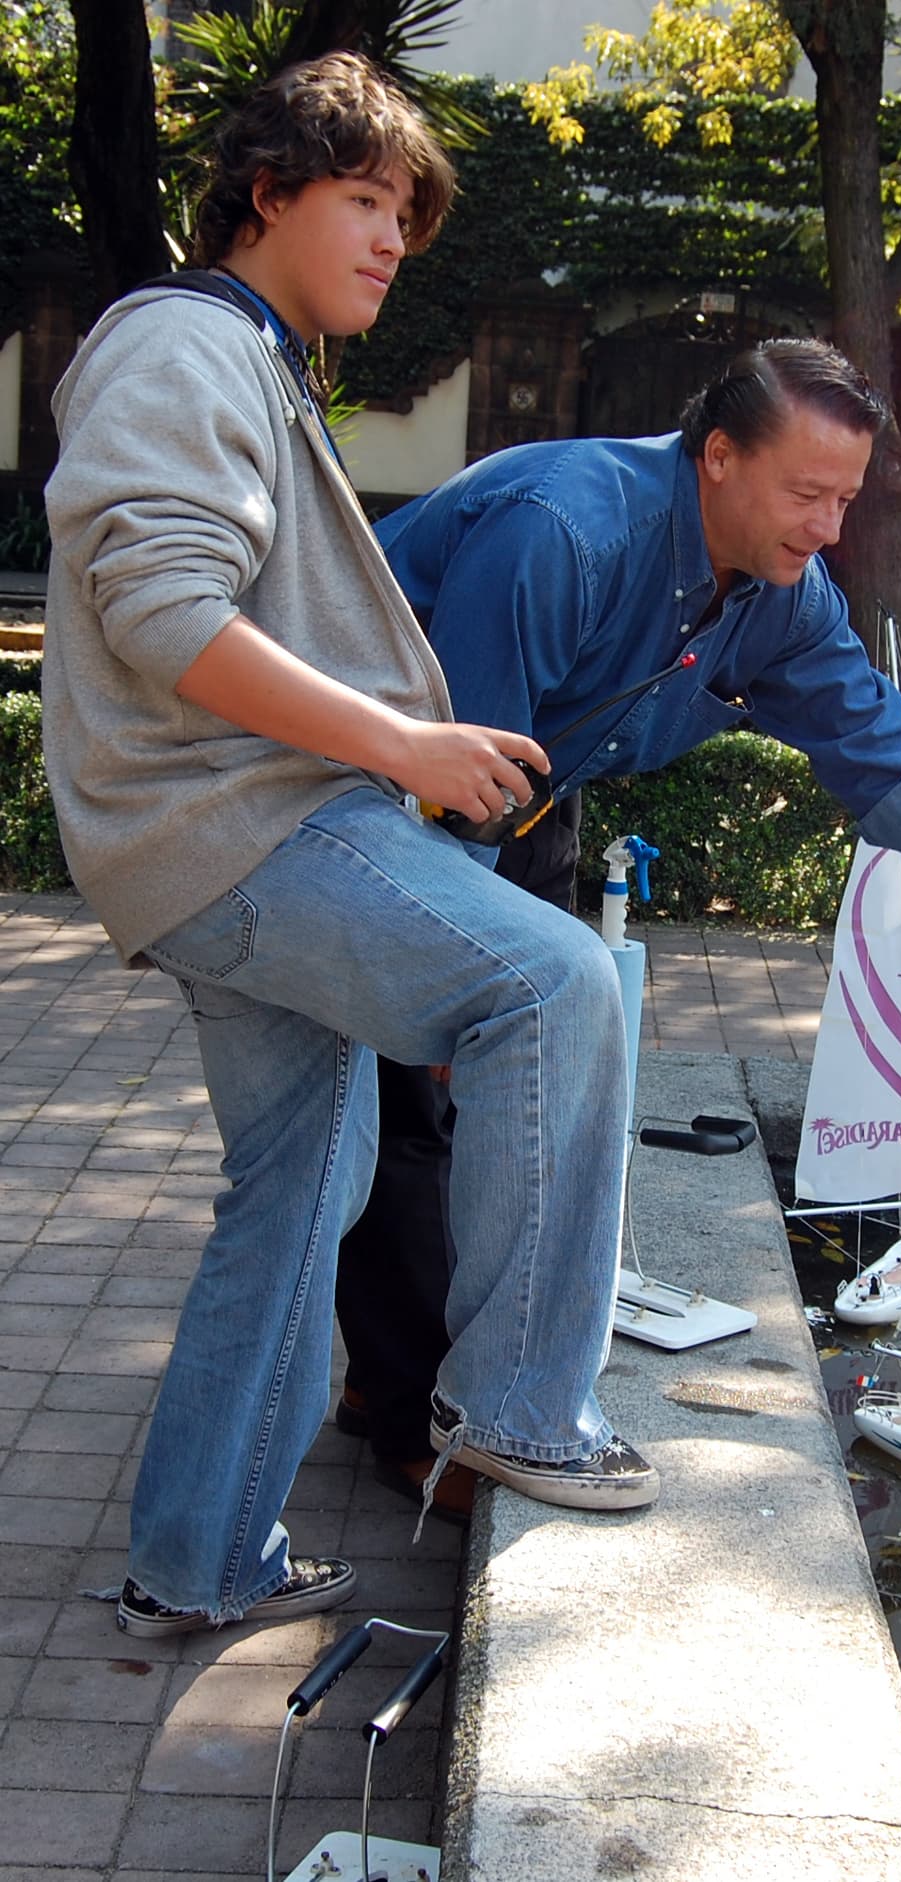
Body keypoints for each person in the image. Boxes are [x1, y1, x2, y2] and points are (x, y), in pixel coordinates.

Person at [41, 51, 658, 1643]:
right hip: (244, 827)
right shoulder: (185, 342)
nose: (393, 240)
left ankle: (200, 1561)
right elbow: (165, 613)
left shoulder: (251, 358)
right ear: (268, 195)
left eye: (405, 215)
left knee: (306, 1180)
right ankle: (520, 1408)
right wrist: (405, 745)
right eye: (366, 202)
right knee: (559, 983)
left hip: (213, 835)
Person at [333, 339, 901, 1501]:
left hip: (530, 792)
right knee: (420, 1102)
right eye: (806, 494)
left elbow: (882, 745)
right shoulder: (563, 531)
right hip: (384, 787)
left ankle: (399, 1379)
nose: (826, 526)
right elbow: (448, 783)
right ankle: (411, 1422)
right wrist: (457, 1014)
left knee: (503, 1095)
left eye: (846, 500)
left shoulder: (782, 596)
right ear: (715, 457)